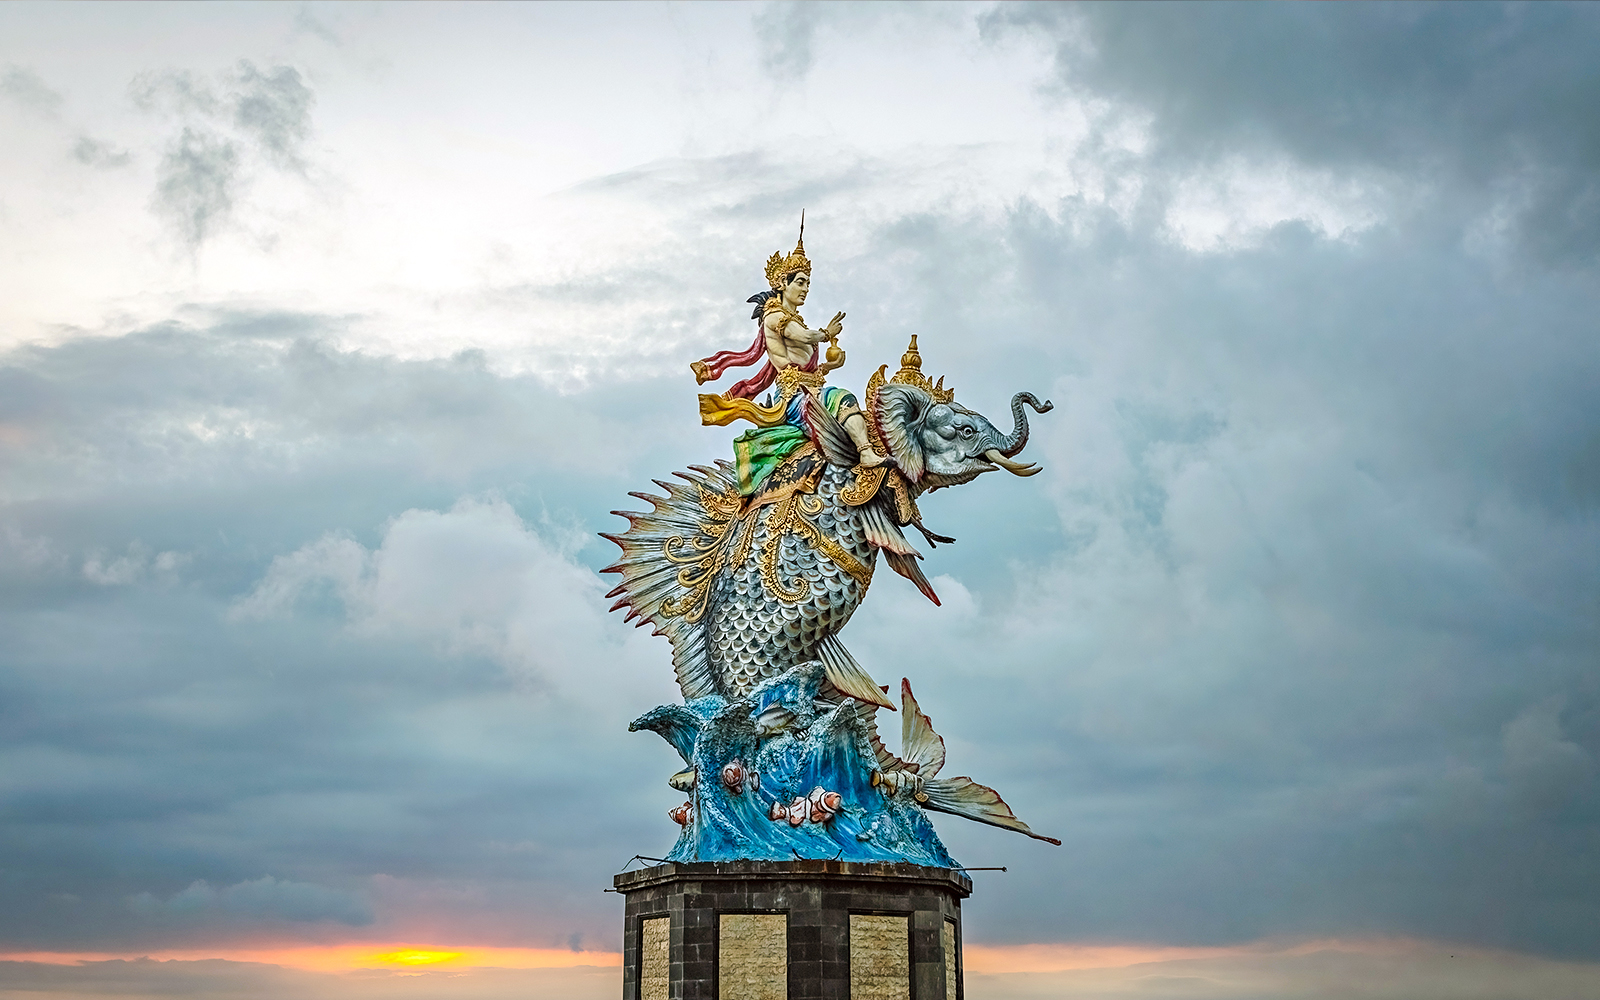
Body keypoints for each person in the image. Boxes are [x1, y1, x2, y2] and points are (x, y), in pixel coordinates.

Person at [693, 222, 887, 495]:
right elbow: (804, 336)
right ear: (782, 284)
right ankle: (865, 454)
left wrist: (830, 365)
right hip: (796, 398)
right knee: (844, 399)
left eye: (808, 283)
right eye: (800, 282)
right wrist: (825, 334)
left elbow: (808, 363)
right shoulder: (775, 317)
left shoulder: (793, 319)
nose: (805, 288)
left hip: (812, 389)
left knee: (851, 411)